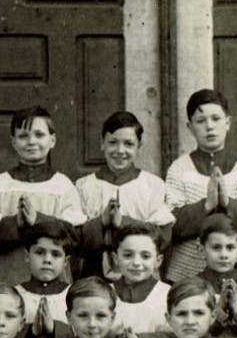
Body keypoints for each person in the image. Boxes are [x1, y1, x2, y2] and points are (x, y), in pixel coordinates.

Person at [162, 89, 237, 283]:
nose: (209, 127)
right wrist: (205, 206)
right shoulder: (179, 169)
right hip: (187, 271)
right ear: (190, 127)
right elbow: (170, 224)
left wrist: (229, 204)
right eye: (200, 121)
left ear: (227, 123)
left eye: (216, 119)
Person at [0, 106, 87, 286]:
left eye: (39, 135)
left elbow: (76, 238)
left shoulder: (62, 186)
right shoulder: (0, 185)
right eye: (23, 136)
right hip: (6, 281)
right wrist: (16, 224)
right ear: (13, 142)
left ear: (52, 140)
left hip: (53, 284)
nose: (31, 141)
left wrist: (38, 220)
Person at [74, 111, 173, 279]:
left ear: (139, 147)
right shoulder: (85, 185)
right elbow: (76, 239)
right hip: (94, 275)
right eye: (113, 142)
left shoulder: (152, 185)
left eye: (128, 144)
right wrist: (102, 223)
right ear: (102, 143)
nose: (120, 151)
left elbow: (163, 236)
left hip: (139, 272)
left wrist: (123, 223)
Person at [192, 212, 237, 338]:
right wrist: (219, 312)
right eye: (216, 247)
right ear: (201, 250)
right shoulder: (192, 288)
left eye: (230, 247)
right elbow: (190, 333)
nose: (224, 255)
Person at [15, 218, 74, 338]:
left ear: (65, 261)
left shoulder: (74, 295)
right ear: (27, 256)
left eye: (56, 254)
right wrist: (31, 331)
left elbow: (81, 336)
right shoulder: (14, 296)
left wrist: (54, 329)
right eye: (40, 252)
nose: (47, 260)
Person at [109, 221, 172, 338]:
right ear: (116, 258)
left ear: (158, 261)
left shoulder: (168, 295)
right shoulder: (104, 293)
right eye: (128, 255)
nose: (136, 263)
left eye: (145, 256)